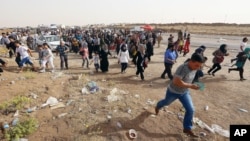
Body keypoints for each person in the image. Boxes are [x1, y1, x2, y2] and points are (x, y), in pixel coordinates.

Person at [155, 53, 204, 137]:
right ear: (191, 61)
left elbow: (191, 78)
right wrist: (190, 86)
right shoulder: (182, 68)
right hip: (173, 91)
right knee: (166, 103)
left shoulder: (195, 68)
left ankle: (187, 128)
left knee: (191, 110)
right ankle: (158, 106)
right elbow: (176, 81)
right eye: (196, 65)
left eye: (199, 66)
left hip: (184, 92)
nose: (198, 68)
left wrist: (196, 84)